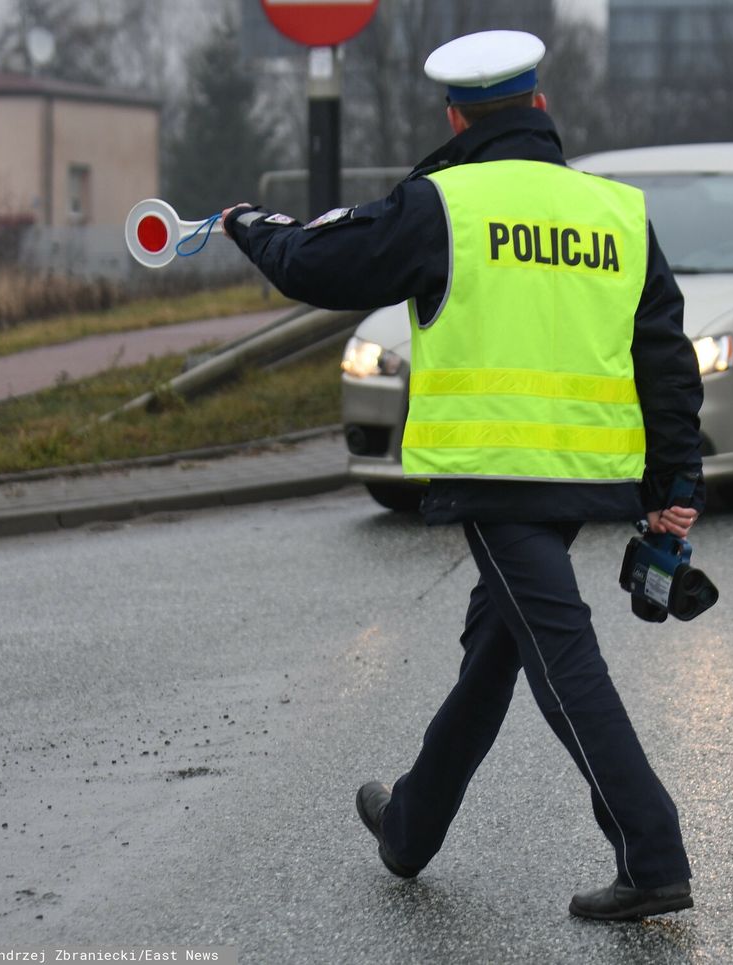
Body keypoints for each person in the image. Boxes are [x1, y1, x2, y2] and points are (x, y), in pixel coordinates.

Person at [221, 29, 704, 922]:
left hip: (493, 474)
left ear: (455, 115)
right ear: (542, 107)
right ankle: (410, 825)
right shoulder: (615, 212)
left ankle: (653, 850)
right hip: (584, 471)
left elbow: (317, 263)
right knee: (497, 651)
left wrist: (253, 226)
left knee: (562, 659)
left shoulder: (443, 204)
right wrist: (676, 485)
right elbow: (664, 355)